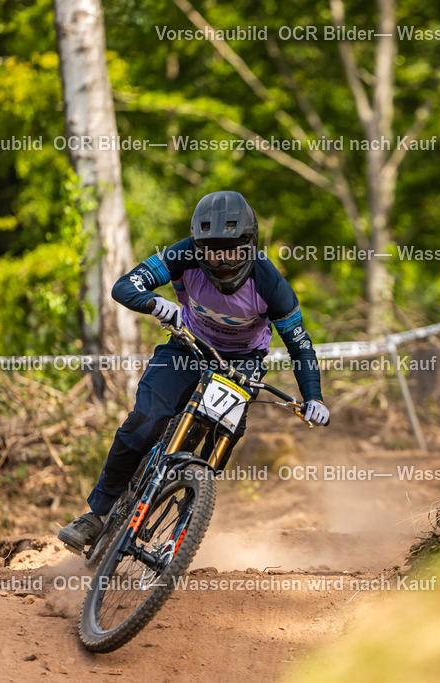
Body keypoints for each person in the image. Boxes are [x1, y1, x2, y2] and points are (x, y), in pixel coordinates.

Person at [59, 190, 329, 552]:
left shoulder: (271, 284)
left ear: (250, 246)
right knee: (144, 420)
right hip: (186, 346)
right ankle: (96, 514)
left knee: (225, 433)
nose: (221, 261)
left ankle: (189, 515)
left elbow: (300, 346)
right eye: (211, 251)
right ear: (198, 247)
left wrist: (314, 397)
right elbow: (124, 286)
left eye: (231, 250)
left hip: (241, 361)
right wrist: (154, 303)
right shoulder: (182, 254)